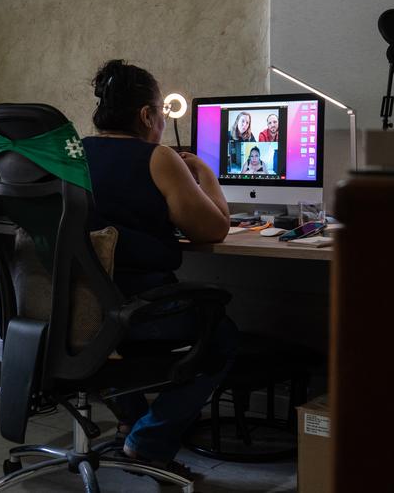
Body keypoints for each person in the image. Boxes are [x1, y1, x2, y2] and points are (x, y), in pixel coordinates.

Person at [82, 59, 237, 477]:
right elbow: (216, 229)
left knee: (107, 337)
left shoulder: (73, 154)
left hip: (81, 309)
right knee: (220, 335)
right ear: (147, 115)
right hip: (140, 312)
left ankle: (133, 420)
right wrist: (203, 170)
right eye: (162, 115)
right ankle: (149, 441)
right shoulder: (159, 158)